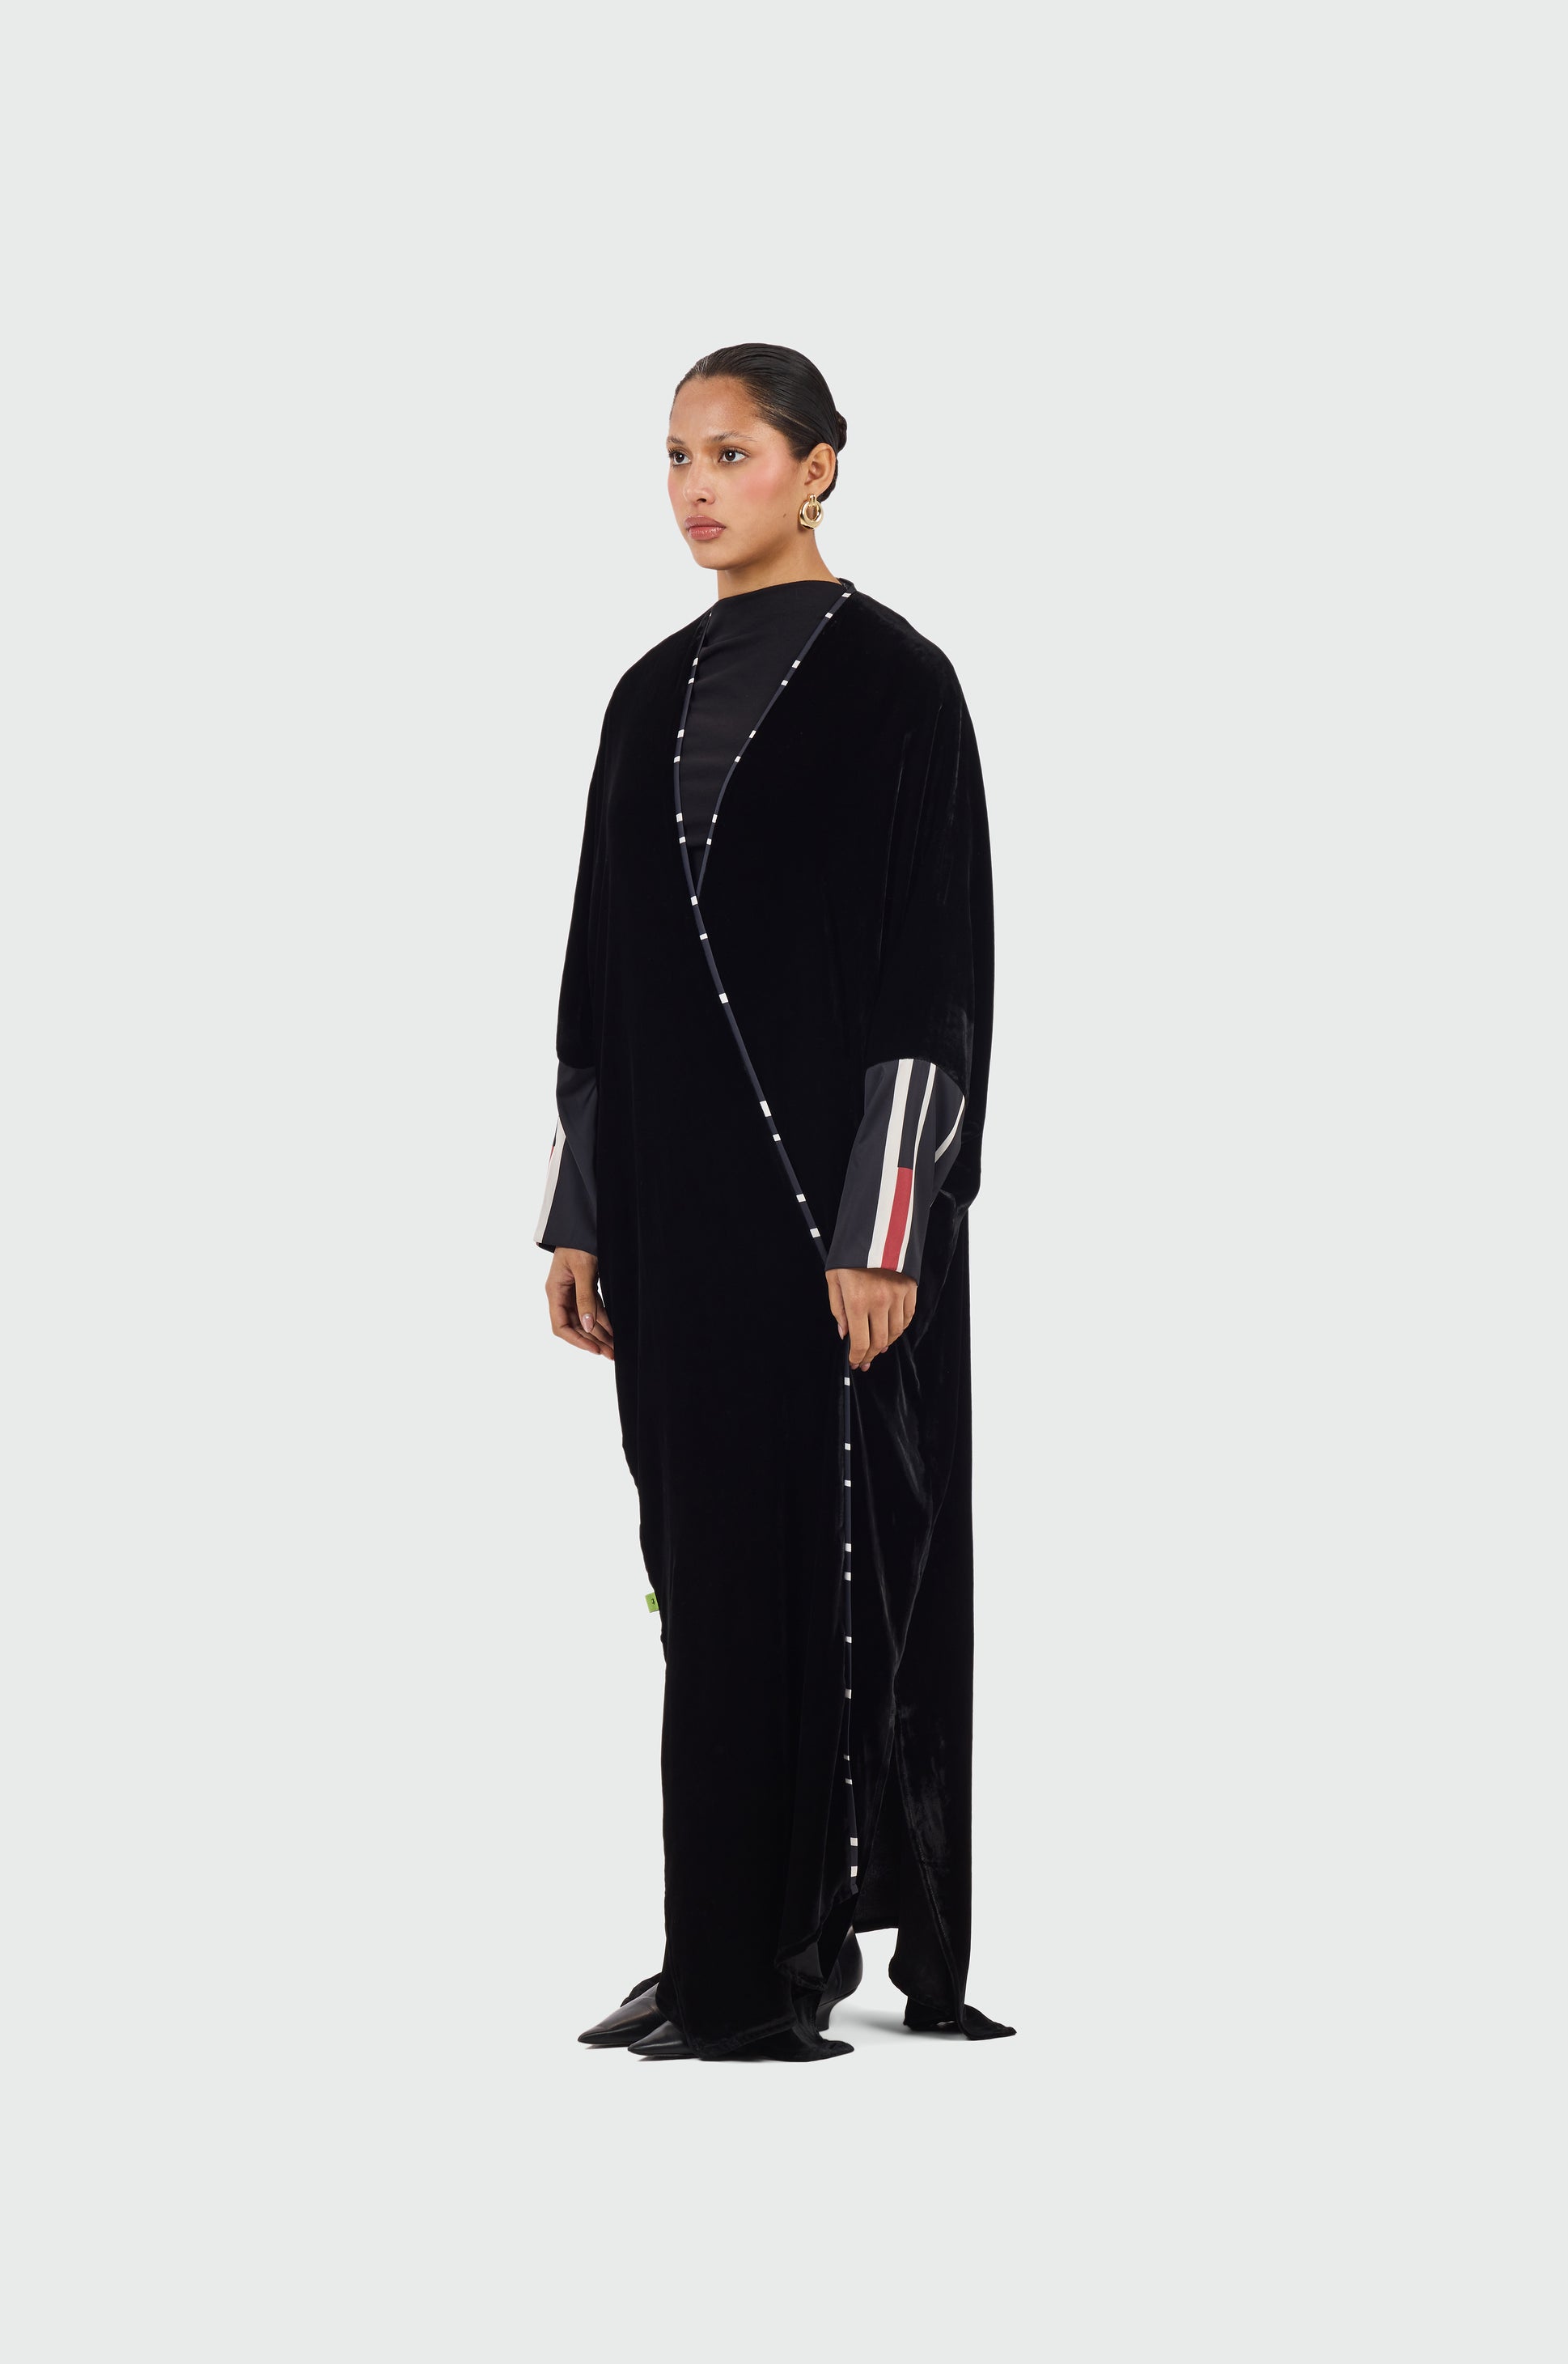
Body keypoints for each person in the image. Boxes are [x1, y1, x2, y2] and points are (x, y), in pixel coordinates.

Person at [539, 344, 1013, 2061]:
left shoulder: (897, 685)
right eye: (675, 456)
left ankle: (782, 1950)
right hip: (675, 1220)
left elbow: (931, 974)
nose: (694, 487)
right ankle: (714, 1938)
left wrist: (884, 1230)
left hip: (826, 1227)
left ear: (818, 467)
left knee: (824, 1561)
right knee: (702, 1570)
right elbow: (601, 977)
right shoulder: (644, 693)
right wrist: (580, 1211)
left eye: (731, 453)